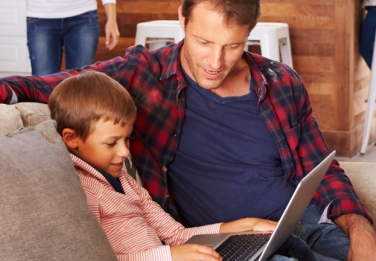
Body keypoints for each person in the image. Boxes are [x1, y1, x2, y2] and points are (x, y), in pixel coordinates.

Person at [0, 0, 376, 261]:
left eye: (233, 46)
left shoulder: (280, 84)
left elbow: (320, 168)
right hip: (224, 244)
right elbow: (56, 85)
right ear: (181, 20)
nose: (216, 61)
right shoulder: (145, 75)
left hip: (303, 225)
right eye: (204, 42)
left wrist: (357, 227)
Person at [52, 70, 316, 261]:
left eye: (127, 139)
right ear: (72, 138)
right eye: (111, 143)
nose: (124, 152)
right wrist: (169, 256)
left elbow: (177, 234)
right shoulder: (79, 190)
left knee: (288, 245)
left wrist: (241, 225)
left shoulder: (123, 179)